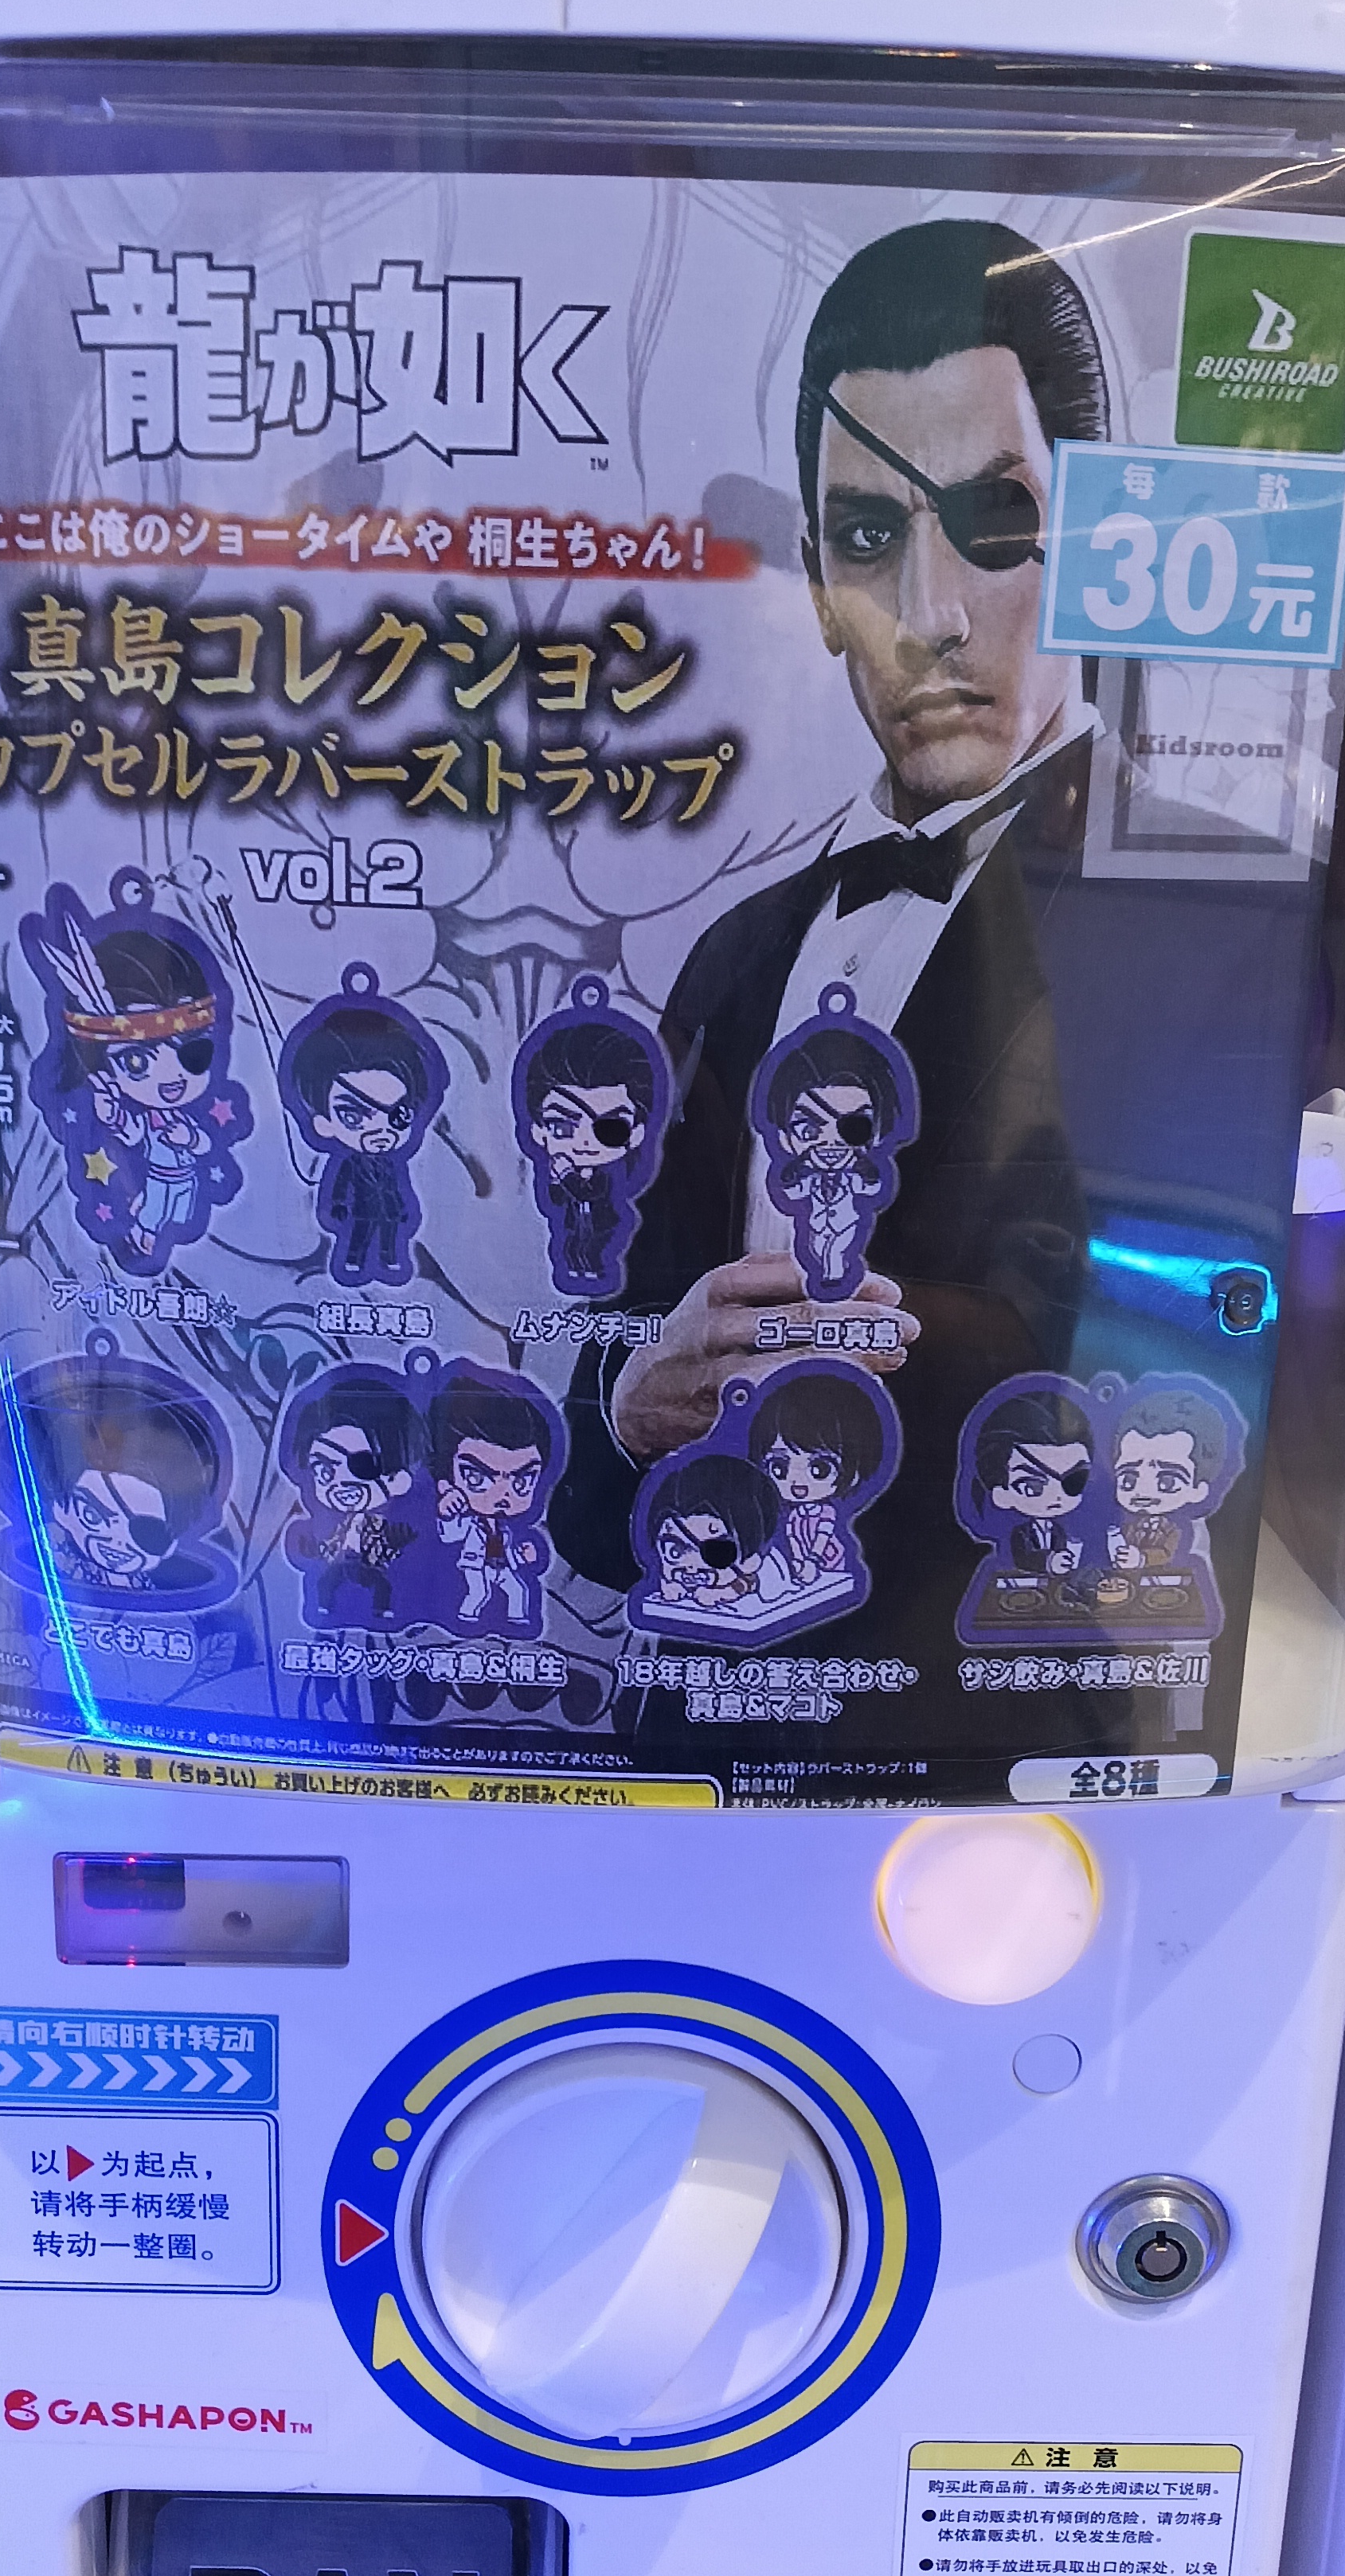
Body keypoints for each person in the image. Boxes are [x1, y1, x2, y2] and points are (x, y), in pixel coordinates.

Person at [553, 216, 1116, 1662]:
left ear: (1094, 537)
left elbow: (1161, 1400)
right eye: (870, 537)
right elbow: (591, 1501)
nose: (930, 615)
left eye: (995, 521)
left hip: (1005, 1715)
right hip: (704, 1717)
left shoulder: (1200, 929)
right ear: (813, 584)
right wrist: (631, 1408)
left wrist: (880, 1334)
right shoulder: (739, 953)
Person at [25, 878, 250, 1272]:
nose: (170, 1076)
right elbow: (132, 1136)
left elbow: (201, 1145)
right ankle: (143, 1236)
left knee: (179, 1216)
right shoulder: (148, 1117)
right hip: (158, 1181)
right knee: (154, 1216)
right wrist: (112, 1116)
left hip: (187, 1183)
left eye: (192, 1052)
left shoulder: (182, 1119)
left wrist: (190, 1138)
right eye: (137, 1063)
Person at [1, 1362, 231, 1597]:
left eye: (147, 1534)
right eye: (93, 1516)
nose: (118, 1542)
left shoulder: (194, 1570)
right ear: (62, 1511)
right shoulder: (50, 1552)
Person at [280, 993, 444, 1287]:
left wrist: (402, 1208)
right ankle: (353, 1261)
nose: (379, 1129)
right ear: (323, 1123)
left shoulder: (391, 1163)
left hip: (389, 1212)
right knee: (359, 1237)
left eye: (398, 1115)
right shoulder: (351, 1161)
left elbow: (396, 1185)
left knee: (388, 1238)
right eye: (354, 1117)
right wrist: (337, 1205)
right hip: (360, 1211)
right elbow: (341, 1183)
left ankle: (389, 1259)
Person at [753, 1018, 910, 1295]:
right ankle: (827, 1272)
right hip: (816, 1222)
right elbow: (792, 1191)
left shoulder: (857, 1177)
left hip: (847, 1220)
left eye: (854, 1128)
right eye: (808, 1129)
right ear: (783, 1136)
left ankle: (834, 1271)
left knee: (837, 1250)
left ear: (880, 1132)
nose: (830, 1143)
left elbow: (872, 1188)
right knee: (817, 1248)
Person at [518, 1008, 663, 1290]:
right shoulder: (557, 1175)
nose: (584, 1143)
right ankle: (578, 1271)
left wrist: (567, 1176)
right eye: (562, 1127)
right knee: (573, 1249)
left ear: (637, 1133)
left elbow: (590, 1192)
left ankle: (592, 1271)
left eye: (610, 1129)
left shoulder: (608, 1177)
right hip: (574, 1227)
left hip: (602, 1227)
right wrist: (557, 1182)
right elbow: (556, 1200)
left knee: (594, 1251)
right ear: (538, 1131)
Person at [282, 1369, 424, 1628]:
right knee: (328, 1582)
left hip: (367, 1564)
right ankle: (325, 1606)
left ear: (398, 1478)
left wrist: (393, 1548)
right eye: (323, 1470)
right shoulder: (340, 1524)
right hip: (343, 1562)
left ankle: (382, 1611)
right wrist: (318, 1551)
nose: (341, 1484)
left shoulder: (379, 1523)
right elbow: (333, 1542)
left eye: (362, 1467)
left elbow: (386, 1547)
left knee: (380, 1584)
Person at [429, 1372, 559, 1631]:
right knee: (478, 1593)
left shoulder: (504, 1529)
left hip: (500, 1565)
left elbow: (509, 1548)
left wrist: (525, 1556)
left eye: (522, 1481)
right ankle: (467, 1619)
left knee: (518, 1590)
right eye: (477, 1478)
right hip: (475, 1565)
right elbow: (449, 1535)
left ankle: (518, 1623)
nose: (503, 1495)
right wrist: (446, 1512)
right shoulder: (468, 1521)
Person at [746, 1369, 889, 1590]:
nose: (797, 1483)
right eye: (779, 1468)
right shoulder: (793, 1516)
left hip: (831, 1565)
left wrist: (812, 1562)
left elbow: (822, 1539)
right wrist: (796, 1562)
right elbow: (793, 1540)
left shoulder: (826, 1513)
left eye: (819, 1469)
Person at [963, 1385, 1097, 1576]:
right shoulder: (1020, 1533)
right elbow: (1021, 1557)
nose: (1056, 1496)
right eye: (1031, 1486)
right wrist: (1049, 1562)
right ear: (1001, 1494)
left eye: (1073, 1481)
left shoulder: (1059, 1530)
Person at [637, 1453, 786, 1619]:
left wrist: (723, 1593)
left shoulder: (768, 1571)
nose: (691, 1567)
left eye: (717, 1552)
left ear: (750, 1561)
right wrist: (670, 1585)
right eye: (675, 1551)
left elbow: (752, 1585)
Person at [1107, 1384, 1230, 1572]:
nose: (1143, 1492)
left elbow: (1174, 1555)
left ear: (1199, 1490)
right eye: (1129, 1480)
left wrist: (1142, 1559)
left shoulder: (1185, 1529)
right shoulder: (1131, 1525)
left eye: (1167, 1482)